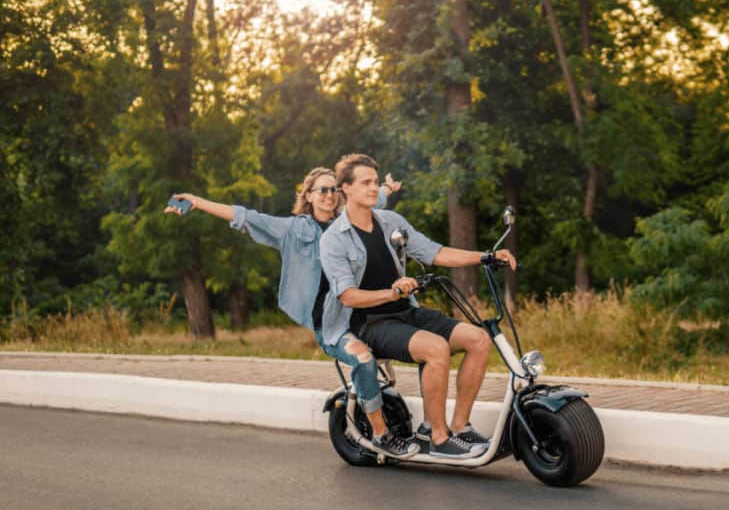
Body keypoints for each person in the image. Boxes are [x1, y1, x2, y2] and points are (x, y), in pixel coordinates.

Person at [165, 168, 420, 459]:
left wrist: (387, 188)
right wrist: (196, 201)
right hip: (332, 324)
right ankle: (381, 435)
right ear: (308, 195)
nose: (328, 195)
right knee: (364, 360)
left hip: (367, 315)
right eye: (321, 190)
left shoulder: (348, 223)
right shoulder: (293, 230)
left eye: (332, 190)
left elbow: (375, 202)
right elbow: (245, 216)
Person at [319, 154, 517, 460]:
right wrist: (392, 291)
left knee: (478, 339)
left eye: (376, 181)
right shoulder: (334, 239)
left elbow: (434, 253)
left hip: (405, 312)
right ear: (346, 188)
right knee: (436, 348)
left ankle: (460, 427)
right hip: (369, 322)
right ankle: (438, 438)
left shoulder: (391, 222)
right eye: (366, 183)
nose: (374, 188)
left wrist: (487, 257)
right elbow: (348, 296)